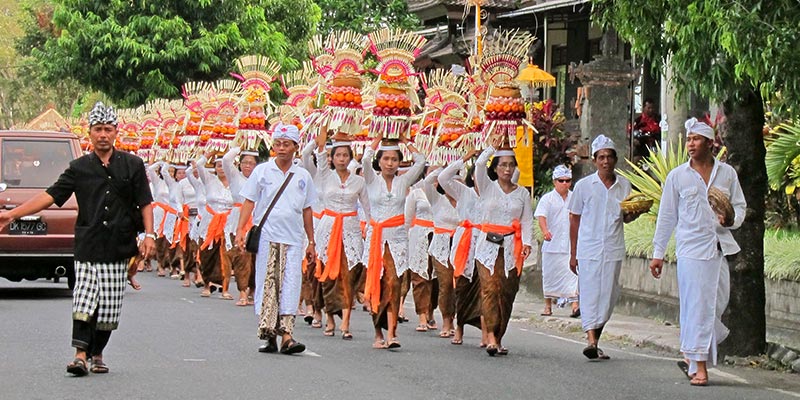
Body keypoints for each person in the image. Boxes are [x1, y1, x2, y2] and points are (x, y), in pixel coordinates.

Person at [0, 102, 155, 376]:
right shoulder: (79, 167)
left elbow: (145, 202)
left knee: (108, 308)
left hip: (118, 246)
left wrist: (149, 235)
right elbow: (49, 196)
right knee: (84, 299)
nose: (103, 135)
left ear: (115, 132)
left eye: (108, 129)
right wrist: (12, 214)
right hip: (88, 245)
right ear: (90, 133)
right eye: (98, 130)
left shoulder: (133, 165)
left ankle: (97, 353)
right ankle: (80, 355)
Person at [649, 118, 746, 386]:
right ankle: (700, 365)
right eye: (688, 139)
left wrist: (731, 221)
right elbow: (666, 216)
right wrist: (658, 253)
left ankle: (691, 352)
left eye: (696, 139)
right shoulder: (677, 176)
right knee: (697, 307)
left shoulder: (727, 174)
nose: (690, 144)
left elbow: (740, 207)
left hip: (718, 248)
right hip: (690, 251)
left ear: (710, 143)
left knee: (716, 304)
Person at [236, 123, 317, 355]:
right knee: (269, 284)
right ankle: (270, 335)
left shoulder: (302, 176)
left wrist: (311, 242)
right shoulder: (262, 171)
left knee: (291, 285)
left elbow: (307, 210)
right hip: (268, 238)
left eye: (286, 144)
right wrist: (241, 230)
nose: (281, 148)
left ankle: (287, 336)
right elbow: (249, 201)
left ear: (295, 147)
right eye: (278, 144)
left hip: (293, 239)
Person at [569, 134, 642, 360]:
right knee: (590, 294)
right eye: (601, 157)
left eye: (609, 157)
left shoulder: (624, 185)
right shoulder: (583, 186)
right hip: (589, 249)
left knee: (608, 296)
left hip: (613, 248)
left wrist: (635, 214)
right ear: (594, 161)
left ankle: (596, 340)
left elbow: (625, 218)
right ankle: (590, 339)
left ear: (615, 159)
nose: (605, 161)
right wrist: (573, 253)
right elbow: (574, 219)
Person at [361, 136, 425, 350]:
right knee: (378, 284)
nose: (390, 163)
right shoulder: (371, 180)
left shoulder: (403, 181)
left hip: (397, 239)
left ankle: (393, 332)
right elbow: (364, 159)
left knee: (394, 284)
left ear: (399, 162)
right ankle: (378, 333)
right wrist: (379, 136)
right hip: (375, 239)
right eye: (386, 159)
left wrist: (405, 139)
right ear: (379, 161)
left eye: (394, 159)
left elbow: (421, 161)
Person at [474, 138, 534, 356]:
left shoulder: (522, 194)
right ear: (496, 167)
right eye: (503, 165)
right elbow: (479, 164)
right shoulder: (487, 188)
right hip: (487, 246)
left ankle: (499, 336)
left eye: (511, 165)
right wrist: (493, 145)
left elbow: (527, 219)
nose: (507, 169)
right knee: (490, 289)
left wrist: (527, 243)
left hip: (511, 246)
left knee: (507, 292)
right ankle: (490, 336)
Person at [312, 132, 369, 339]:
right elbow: (317, 151)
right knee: (328, 276)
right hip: (328, 229)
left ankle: (345, 322)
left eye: (346, 155)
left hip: (351, 230)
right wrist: (324, 127)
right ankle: (329, 318)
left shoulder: (359, 182)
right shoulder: (325, 175)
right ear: (332, 158)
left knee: (348, 275)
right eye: (338, 155)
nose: (342, 159)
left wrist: (370, 230)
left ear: (350, 157)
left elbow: (367, 208)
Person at [438, 150, 487, 346]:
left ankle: (486, 333)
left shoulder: (491, 193)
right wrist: (467, 157)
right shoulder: (463, 192)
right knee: (462, 288)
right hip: (463, 244)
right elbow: (443, 177)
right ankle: (459, 329)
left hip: (484, 242)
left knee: (484, 287)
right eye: (476, 174)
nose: (478, 179)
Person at [534, 165, 579, 317]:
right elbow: (541, 216)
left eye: (568, 181)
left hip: (570, 244)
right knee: (549, 276)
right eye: (561, 180)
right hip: (552, 245)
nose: (565, 184)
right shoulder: (547, 199)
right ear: (555, 181)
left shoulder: (575, 198)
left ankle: (575, 305)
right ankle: (548, 306)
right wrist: (545, 231)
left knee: (573, 275)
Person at [423, 167, 460, 338]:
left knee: (460, 286)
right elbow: (427, 181)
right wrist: (444, 165)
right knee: (445, 284)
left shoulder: (466, 201)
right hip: (441, 247)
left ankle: (459, 321)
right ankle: (447, 320)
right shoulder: (437, 199)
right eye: (451, 184)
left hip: (461, 246)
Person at [196, 152, 235, 300]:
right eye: (219, 166)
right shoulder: (209, 180)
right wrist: (209, 153)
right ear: (215, 167)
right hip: (209, 221)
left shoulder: (235, 181)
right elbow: (199, 165)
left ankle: (225, 288)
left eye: (224, 166)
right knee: (207, 254)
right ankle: (207, 284)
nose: (222, 169)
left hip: (228, 222)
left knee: (225, 255)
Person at [223, 146, 258, 306]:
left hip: (256, 220)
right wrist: (240, 146)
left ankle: (253, 290)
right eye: (245, 162)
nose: (248, 166)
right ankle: (242, 291)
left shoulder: (260, 178)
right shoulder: (235, 177)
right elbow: (225, 160)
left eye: (251, 163)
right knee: (240, 256)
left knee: (256, 258)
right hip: (238, 220)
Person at [405, 178, 437, 332]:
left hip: (440, 235)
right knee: (420, 277)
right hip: (419, 236)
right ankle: (422, 315)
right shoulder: (416, 193)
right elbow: (407, 218)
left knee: (437, 278)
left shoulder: (446, 193)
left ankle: (431, 311)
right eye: (432, 170)